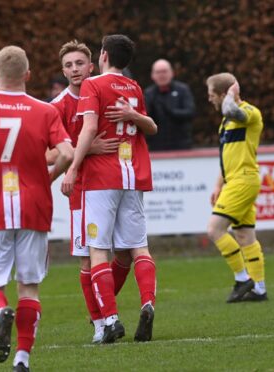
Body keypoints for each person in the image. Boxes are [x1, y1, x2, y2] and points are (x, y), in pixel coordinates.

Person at [0, 46, 73, 372]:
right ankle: (22, 358)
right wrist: (47, 178)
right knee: (29, 286)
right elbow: (67, 152)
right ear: (28, 76)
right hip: (34, 205)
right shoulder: (45, 110)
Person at [61, 34, 158, 343]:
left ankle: (110, 319)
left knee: (97, 249)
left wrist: (74, 167)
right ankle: (147, 303)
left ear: (101, 56)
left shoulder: (94, 85)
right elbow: (151, 127)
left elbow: (89, 128)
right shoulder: (134, 87)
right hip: (133, 177)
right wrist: (133, 116)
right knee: (139, 247)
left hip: (102, 179)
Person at [49, 40, 131, 344]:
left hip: (114, 185)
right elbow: (45, 153)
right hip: (82, 191)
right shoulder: (56, 107)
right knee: (87, 259)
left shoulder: (104, 91)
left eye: (79, 64)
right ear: (63, 70)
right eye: (68, 65)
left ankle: (103, 306)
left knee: (124, 253)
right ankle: (101, 323)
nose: (74, 70)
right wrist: (81, 151)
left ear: (91, 65)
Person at [205, 72, 268, 303]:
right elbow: (227, 156)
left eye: (212, 94)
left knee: (214, 230)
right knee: (244, 236)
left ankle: (242, 279)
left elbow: (231, 110)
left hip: (244, 180)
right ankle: (259, 289)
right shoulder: (225, 121)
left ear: (224, 94)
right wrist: (218, 185)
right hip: (235, 180)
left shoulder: (249, 113)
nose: (209, 99)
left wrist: (231, 94)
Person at [144, 59, 195, 151]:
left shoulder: (182, 89)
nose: (161, 75)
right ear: (152, 75)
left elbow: (190, 112)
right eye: (158, 72)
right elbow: (144, 116)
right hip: (156, 146)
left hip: (181, 144)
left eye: (164, 71)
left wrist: (172, 112)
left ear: (172, 73)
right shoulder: (149, 93)